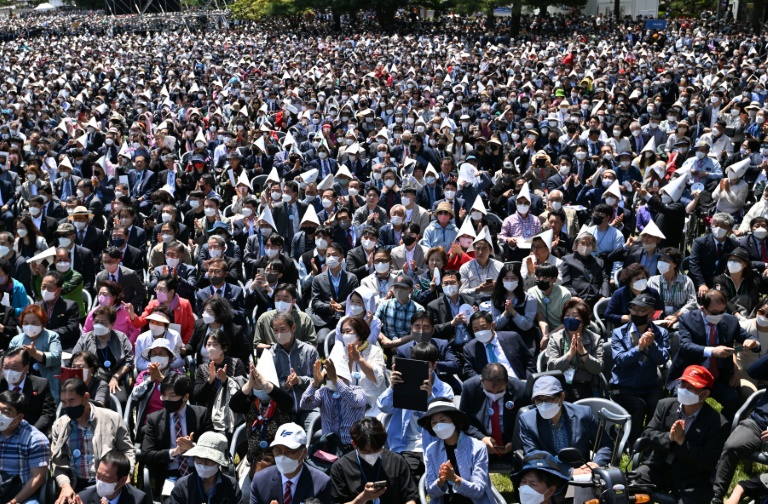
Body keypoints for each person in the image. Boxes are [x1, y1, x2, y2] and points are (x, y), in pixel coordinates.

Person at [633, 365, 728, 504]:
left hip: (692, 479)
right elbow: (648, 434)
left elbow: (709, 460)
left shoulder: (718, 422)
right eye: (683, 384)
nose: (684, 390)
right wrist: (670, 438)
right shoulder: (665, 405)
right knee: (627, 489)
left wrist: (683, 442)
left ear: (705, 394)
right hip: (658, 468)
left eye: (691, 388)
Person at [666, 288, 758, 422]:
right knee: (681, 399)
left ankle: (724, 432)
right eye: (715, 312)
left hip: (717, 376)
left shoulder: (730, 321)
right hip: (689, 374)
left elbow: (747, 337)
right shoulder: (688, 319)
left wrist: (752, 342)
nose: (719, 315)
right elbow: (686, 345)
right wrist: (712, 351)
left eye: (722, 311)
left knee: (732, 399)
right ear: (703, 309)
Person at [379, 341, 454, 478]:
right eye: (416, 364)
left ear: (434, 366)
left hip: (436, 446)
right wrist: (392, 389)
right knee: (408, 480)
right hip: (407, 447)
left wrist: (431, 397)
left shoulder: (444, 389)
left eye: (425, 366)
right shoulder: (402, 383)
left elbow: (447, 420)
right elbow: (383, 407)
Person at [52, 378, 135, 502]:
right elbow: (58, 464)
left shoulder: (112, 418)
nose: (67, 406)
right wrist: (65, 485)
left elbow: (127, 450)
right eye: (64, 402)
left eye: (72, 400)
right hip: (75, 485)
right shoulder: (60, 425)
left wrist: (126, 474)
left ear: (86, 397)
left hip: (107, 483)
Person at [519, 375, 612, 476]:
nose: (544, 404)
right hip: (547, 475)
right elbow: (535, 456)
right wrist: (570, 471)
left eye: (549, 399)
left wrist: (596, 463)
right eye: (539, 400)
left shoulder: (584, 414)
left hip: (583, 474)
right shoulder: (527, 420)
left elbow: (606, 443)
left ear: (562, 397)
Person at [610, 293, 671, 446]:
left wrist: (652, 345)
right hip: (624, 385)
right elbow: (620, 360)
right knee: (638, 407)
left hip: (649, 384)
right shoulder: (619, 333)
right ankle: (631, 445)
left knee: (658, 405)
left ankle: (650, 443)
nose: (636, 313)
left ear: (651, 313)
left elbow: (662, 358)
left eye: (641, 310)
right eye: (634, 310)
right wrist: (639, 348)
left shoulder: (661, 333)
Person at [140, 373, 213, 498]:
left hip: (198, 471)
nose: (167, 399)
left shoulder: (201, 415)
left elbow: (213, 448)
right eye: (164, 395)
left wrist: (193, 448)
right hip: (168, 475)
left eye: (172, 396)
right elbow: (146, 454)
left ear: (185, 397)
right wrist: (174, 452)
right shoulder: (154, 419)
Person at [420, 397, 496, 504]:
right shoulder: (431, 450)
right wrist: (441, 481)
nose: (438, 426)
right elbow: (431, 492)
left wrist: (454, 478)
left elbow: (478, 491)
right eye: (434, 423)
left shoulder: (478, 447)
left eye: (442, 420)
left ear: (454, 421)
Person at [329, 417, 419, 504]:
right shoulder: (340, 467)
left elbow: (410, 497)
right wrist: (363, 498)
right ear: (354, 444)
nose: (372, 454)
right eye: (366, 451)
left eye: (377, 450)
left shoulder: (397, 461)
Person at [460, 363, 528, 464]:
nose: (494, 395)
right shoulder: (469, 387)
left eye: (500, 391)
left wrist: (515, 442)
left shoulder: (521, 389)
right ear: (481, 380)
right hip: (479, 438)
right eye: (489, 391)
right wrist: (481, 438)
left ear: (507, 382)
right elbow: (463, 420)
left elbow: (527, 421)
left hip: (511, 440)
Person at [249, 422, 332, 504]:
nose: (282, 456)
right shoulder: (260, 481)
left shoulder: (321, 483)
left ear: (304, 453)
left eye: (289, 451)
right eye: (278, 450)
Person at [72, 305, 134, 404]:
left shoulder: (121, 338)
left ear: (112, 324)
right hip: (90, 379)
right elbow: (75, 357)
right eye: (96, 322)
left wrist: (115, 377)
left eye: (103, 323)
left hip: (114, 378)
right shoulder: (85, 339)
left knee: (120, 400)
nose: (98, 325)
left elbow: (129, 361)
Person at [545, 297, 604, 401]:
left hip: (586, 385)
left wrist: (584, 354)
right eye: (567, 315)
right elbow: (552, 367)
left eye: (575, 316)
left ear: (583, 320)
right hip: (561, 386)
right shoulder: (555, 338)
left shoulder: (595, 339)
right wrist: (570, 355)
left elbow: (598, 368)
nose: (570, 318)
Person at [192, 329, 248, 435]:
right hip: (211, 415)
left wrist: (226, 380)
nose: (211, 348)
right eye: (208, 344)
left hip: (233, 414)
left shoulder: (236, 364)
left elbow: (243, 392)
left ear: (224, 348)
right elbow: (197, 397)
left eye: (215, 344)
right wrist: (210, 380)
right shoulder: (203, 368)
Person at [0, 390, 50, 504]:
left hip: (22, 495)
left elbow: (37, 477)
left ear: (19, 417)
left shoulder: (35, 439)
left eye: (6, 412)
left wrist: (13, 502)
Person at [168, 431, 242, 504]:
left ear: (218, 462)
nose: (203, 463)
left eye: (209, 459)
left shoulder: (231, 486)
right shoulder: (182, 486)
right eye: (199, 458)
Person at [7, 304, 62, 401]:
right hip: (21, 385)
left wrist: (35, 353)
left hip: (46, 386)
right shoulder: (16, 340)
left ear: (42, 322)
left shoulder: (52, 336)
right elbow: (9, 360)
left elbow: (56, 358)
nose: (29, 326)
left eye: (34, 323)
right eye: (26, 323)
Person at [463, 310, 535, 380]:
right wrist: (483, 382)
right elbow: (468, 371)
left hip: (516, 383)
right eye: (476, 329)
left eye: (484, 327)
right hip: (489, 388)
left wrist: (529, 381)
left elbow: (529, 361)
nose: (480, 332)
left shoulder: (512, 338)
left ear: (493, 325)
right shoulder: (470, 348)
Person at [0, 347, 56, 433]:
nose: (9, 372)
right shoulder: (1, 384)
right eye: (6, 367)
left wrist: (31, 432)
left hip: (32, 434)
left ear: (26, 368)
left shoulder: (41, 384)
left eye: (14, 368)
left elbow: (48, 414)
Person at [490, 262, 538, 353]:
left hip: (524, 340)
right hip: (502, 340)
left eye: (513, 279)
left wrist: (513, 312)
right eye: (506, 278)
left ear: (519, 280)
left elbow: (527, 325)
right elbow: (496, 325)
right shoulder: (495, 299)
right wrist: (505, 313)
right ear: (501, 280)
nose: (510, 281)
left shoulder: (529, 299)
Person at [646, 247, 699, 328]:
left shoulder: (686, 281)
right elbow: (647, 301)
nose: (661, 263)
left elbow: (692, 303)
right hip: (657, 319)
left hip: (680, 318)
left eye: (665, 261)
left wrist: (676, 316)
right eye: (660, 260)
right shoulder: (653, 280)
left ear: (675, 264)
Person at [559, 226, 610, 305]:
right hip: (576, 300)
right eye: (582, 243)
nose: (586, 246)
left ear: (593, 246)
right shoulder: (567, 260)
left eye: (589, 243)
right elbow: (565, 282)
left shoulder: (599, 262)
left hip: (597, 300)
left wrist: (603, 295)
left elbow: (605, 280)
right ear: (577, 244)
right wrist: (574, 296)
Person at [76, 451, 151, 504]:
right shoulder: (83, 498)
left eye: (105, 477)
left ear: (122, 480)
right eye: (98, 475)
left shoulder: (139, 499)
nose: (100, 481)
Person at [604, 263, 664, 329]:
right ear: (629, 282)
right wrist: (627, 318)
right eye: (637, 279)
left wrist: (653, 317)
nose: (641, 281)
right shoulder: (619, 294)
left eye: (643, 277)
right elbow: (608, 315)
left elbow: (660, 310)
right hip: (625, 328)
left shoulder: (653, 292)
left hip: (649, 328)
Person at [83, 280, 141, 344]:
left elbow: (135, 330)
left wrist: (126, 345)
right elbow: (86, 332)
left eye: (105, 294)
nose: (101, 297)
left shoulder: (126, 311)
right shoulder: (94, 312)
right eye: (100, 294)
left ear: (114, 297)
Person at [36, 270, 80, 351]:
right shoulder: (37, 306)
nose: (45, 290)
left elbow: (72, 328)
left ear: (58, 290)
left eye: (49, 288)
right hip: (42, 346)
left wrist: (49, 333)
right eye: (43, 287)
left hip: (63, 346)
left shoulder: (70, 306)